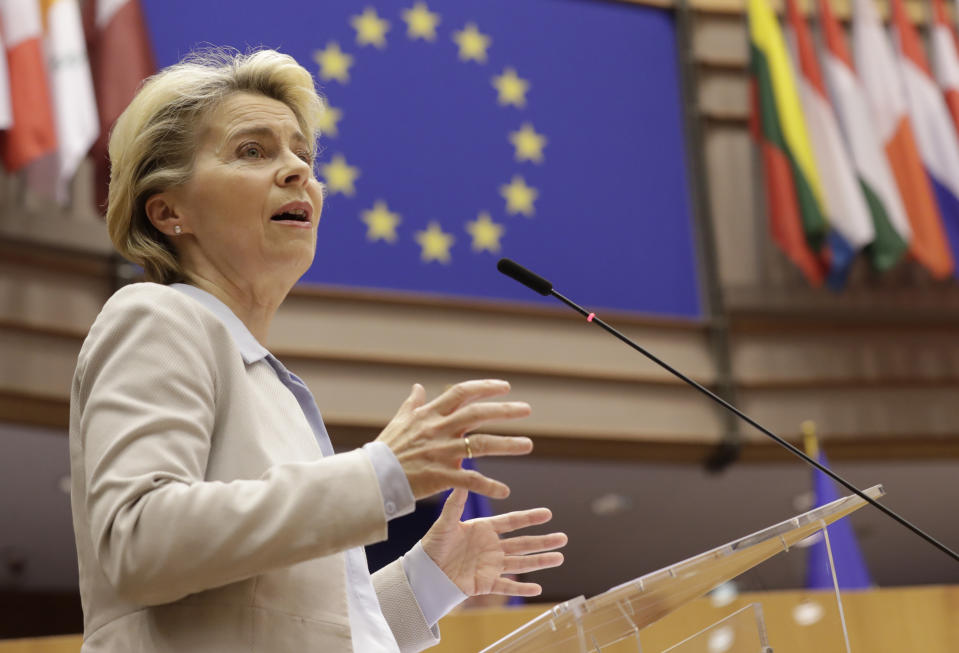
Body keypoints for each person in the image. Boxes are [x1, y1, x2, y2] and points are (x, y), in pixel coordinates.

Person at [69, 48, 567, 652]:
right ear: (169, 210)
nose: (296, 171)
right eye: (253, 151)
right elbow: (137, 541)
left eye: (301, 155)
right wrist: (377, 474)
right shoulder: (156, 317)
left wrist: (429, 581)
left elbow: (287, 629)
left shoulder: (268, 383)